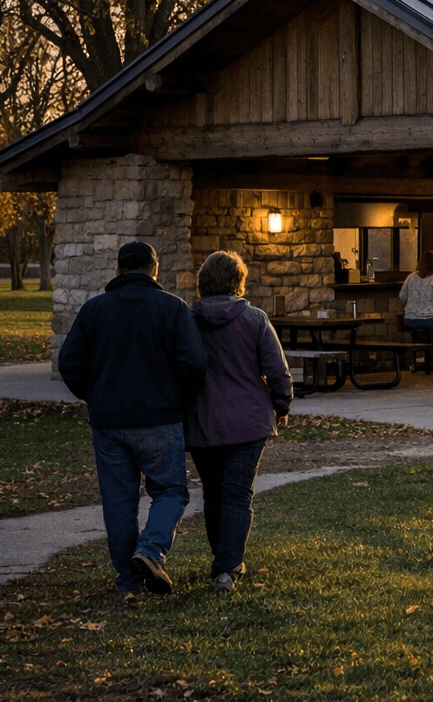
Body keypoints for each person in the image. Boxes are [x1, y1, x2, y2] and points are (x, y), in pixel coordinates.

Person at [58, 241, 207, 597]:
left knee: (119, 502)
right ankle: (151, 550)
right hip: (159, 419)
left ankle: (128, 581)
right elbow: (195, 363)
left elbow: (69, 363)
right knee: (170, 490)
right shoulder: (171, 308)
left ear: (120, 269)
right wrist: (176, 397)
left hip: (109, 422)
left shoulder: (94, 310)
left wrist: (93, 395)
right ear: (154, 269)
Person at [187, 251, 293, 591]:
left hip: (201, 418)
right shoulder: (255, 319)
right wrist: (282, 403)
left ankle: (223, 560)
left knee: (214, 494)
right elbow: (276, 368)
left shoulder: (187, 321)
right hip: (249, 420)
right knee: (237, 494)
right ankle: (227, 568)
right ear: (239, 282)